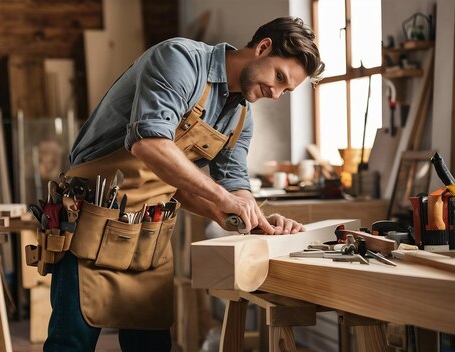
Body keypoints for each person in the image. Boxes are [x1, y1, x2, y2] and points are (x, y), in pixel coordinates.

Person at [44, 16, 324, 351]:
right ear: (263, 47)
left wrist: (258, 221)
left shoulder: (240, 118)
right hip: (91, 218)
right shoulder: (181, 60)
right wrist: (225, 199)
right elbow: (148, 142)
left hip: (148, 235)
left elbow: (235, 187)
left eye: (286, 89)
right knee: (71, 344)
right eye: (278, 77)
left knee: (153, 345)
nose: (276, 93)